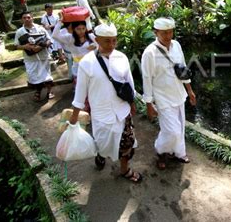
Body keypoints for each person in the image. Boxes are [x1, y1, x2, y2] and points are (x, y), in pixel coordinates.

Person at [69, 23, 142, 183]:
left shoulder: (121, 58)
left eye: (114, 41)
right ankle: (101, 154)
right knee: (103, 143)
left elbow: (129, 83)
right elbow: (80, 95)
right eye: (107, 41)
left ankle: (124, 169)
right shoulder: (86, 63)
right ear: (96, 40)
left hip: (122, 111)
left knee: (127, 142)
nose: (112, 45)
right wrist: (73, 119)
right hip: (101, 114)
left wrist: (132, 103)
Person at [141, 17, 197, 170]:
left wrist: (190, 91)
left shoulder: (176, 45)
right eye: (164, 33)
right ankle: (161, 151)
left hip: (178, 94)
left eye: (170, 32)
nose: (168, 36)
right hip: (162, 97)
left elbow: (184, 69)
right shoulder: (149, 53)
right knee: (171, 130)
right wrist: (149, 104)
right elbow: (146, 78)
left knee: (179, 127)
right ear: (156, 32)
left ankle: (179, 153)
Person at [14, 11, 54, 102]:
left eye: (28, 17)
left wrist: (41, 46)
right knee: (34, 76)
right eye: (24, 18)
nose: (27, 19)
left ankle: (49, 91)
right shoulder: (19, 32)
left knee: (47, 75)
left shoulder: (40, 28)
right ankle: (38, 92)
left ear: (32, 18)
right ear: (21, 20)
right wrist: (25, 46)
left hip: (43, 56)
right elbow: (16, 45)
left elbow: (49, 40)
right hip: (30, 58)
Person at [52, 17, 96, 81]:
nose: (81, 31)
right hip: (78, 67)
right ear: (74, 29)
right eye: (78, 29)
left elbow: (101, 47)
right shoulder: (70, 38)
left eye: (83, 28)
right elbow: (54, 36)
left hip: (92, 66)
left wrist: (95, 46)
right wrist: (60, 22)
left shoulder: (91, 37)